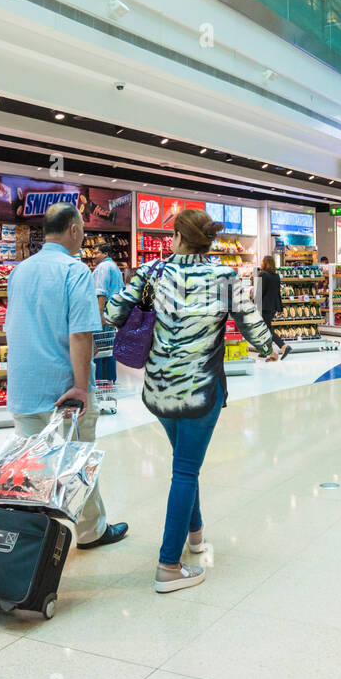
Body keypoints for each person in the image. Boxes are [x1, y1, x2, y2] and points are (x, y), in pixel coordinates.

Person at [105, 208, 280, 593]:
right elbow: (250, 322)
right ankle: (168, 566)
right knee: (186, 469)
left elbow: (113, 310)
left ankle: (195, 534)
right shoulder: (223, 276)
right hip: (202, 392)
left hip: (160, 391)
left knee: (185, 462)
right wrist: (271, 348)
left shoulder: (153, 272)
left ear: (179, 238)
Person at [6, 204, 128, 548]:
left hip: (24, 386)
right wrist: (79, 385)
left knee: (28, 467)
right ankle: (91, 531)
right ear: (74, 229)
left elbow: (12, 326)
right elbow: (80, 334)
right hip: (62, 390)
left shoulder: (19, 271)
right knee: (77, 461)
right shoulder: (74, 272)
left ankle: (31, 539)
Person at [91, 242, 123, 385]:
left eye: (97, 253)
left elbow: (101, 293)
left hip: (104, 313)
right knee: (109, 348)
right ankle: (109, 380)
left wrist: (99, 315)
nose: (93, 256)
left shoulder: (103, 267)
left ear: (105, 254)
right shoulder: (114, 266)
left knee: (99, 349)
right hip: (113, 311)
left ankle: (100, 380)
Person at [254, 256, 290, 355]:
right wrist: (280, 307)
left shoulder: (263, 275)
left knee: (266, 329)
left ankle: (283, 346)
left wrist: (254, 304)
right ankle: (266, 350)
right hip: (273, 307)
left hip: (264, 306)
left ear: (265, 263)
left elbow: (260, 292)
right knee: (265, 328)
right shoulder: (276, 276)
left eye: (262, 262)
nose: (261, 263)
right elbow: (278, 293)